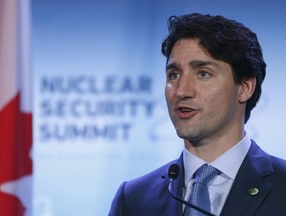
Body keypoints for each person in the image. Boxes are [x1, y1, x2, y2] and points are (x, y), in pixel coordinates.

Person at [108, 13, 286, 216]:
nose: (182, 91)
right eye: (174, 75)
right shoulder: (133, 198)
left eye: (203, 73)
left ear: (245, 87)